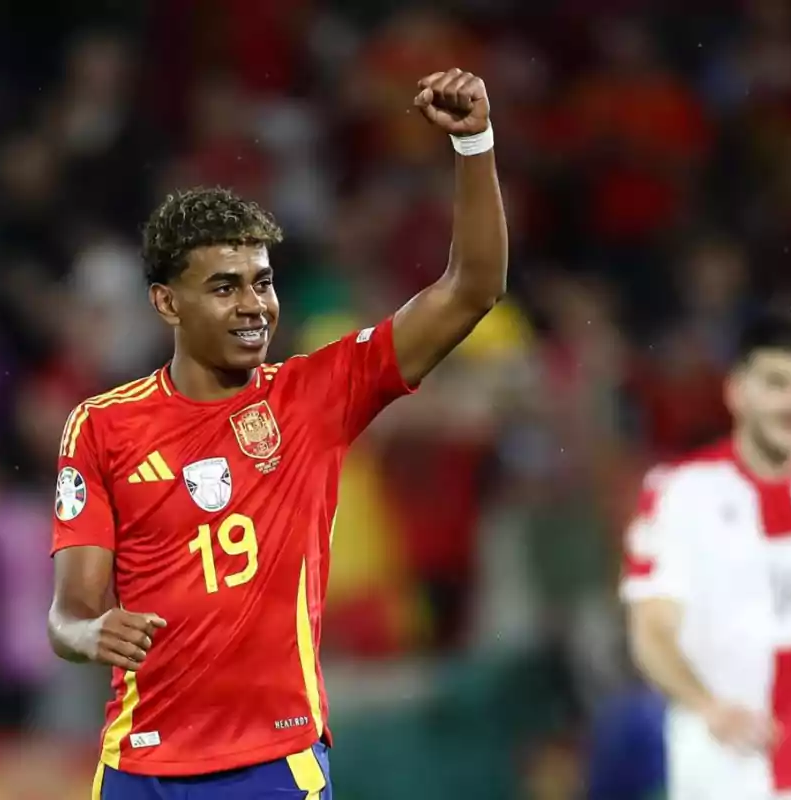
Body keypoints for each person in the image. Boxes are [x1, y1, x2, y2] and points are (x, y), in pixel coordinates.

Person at [47, 69, 507, 799]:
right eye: (225, 286)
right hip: (136, 769)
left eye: (262, 281)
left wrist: (474, 143)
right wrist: (88, 633)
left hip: (269, 765)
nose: (254, 304)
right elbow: (69, 611)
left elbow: (472, 287)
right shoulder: (102, 426)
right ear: (167, 303)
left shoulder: (315, 396)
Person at [622, 312, 791, 799]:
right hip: (730, 779)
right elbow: (651, 631)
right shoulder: (682, 492)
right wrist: (708, 706)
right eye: (776, 383)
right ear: (736, 392)